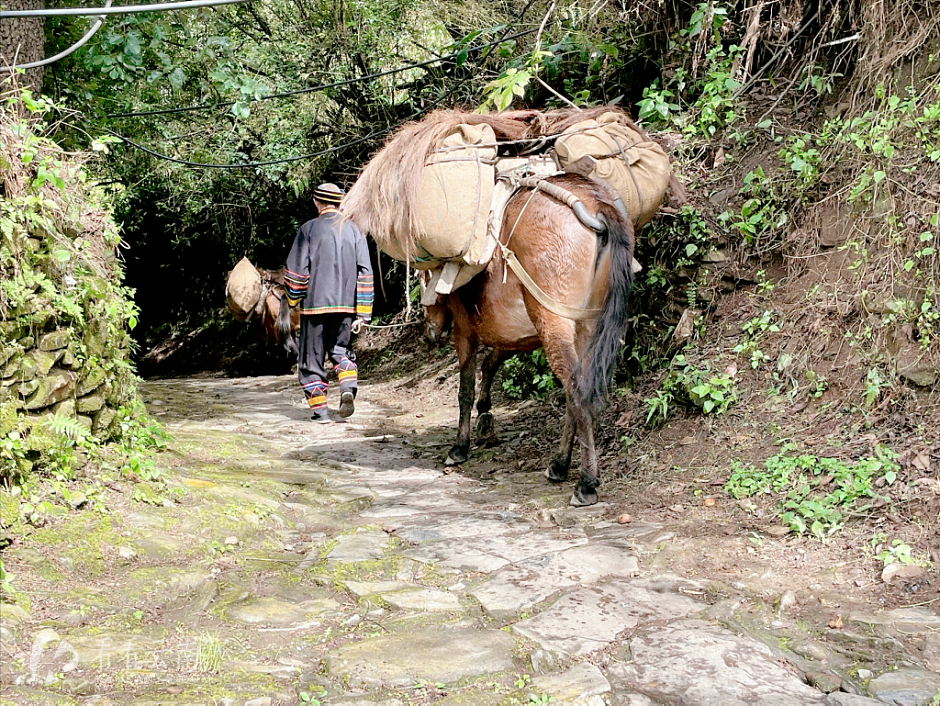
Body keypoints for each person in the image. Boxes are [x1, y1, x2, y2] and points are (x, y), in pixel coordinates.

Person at [284, 183, 373, 423]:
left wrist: (294, 299)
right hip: (346, 307)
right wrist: (363, 313)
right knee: (340, 350)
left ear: (316, 202)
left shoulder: (308, 230)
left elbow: (297, 273)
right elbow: (365, 272)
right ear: (340, 202)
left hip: (314, 307)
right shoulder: (355, 231)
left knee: (311, 359)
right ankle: (347, 386)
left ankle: (320, 412)